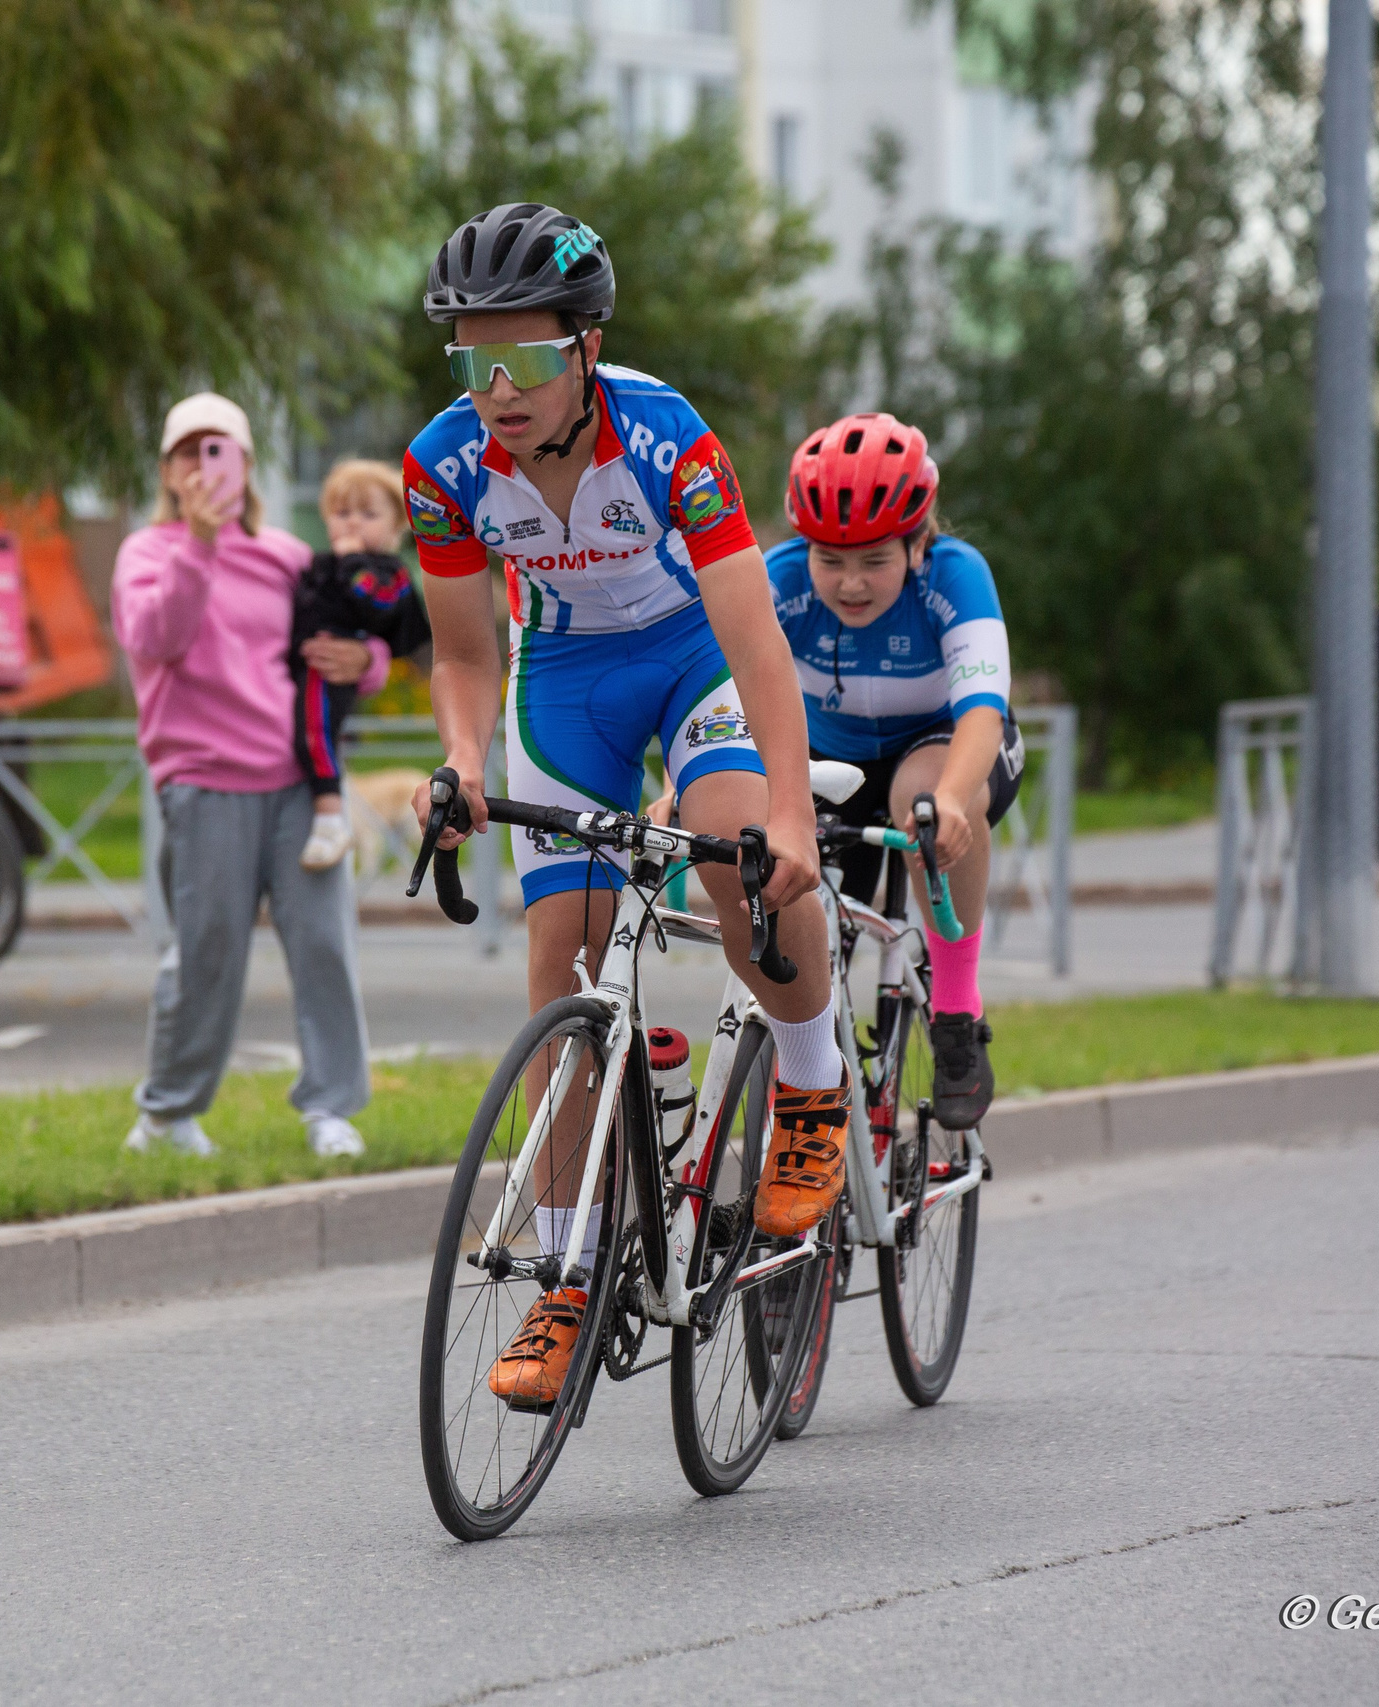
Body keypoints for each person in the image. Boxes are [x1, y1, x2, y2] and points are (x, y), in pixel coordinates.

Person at [405, 203, 844, 1407]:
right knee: (560, 971)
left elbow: (758, 648)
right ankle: (567, 1278)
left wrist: (793, 819)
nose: (499, 389)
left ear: (585, 347)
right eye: (472, 361)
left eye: (527, 360)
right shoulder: (442, 466)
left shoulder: (667, 439)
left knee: (731, 863)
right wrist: (461, 761)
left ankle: (810, 1081)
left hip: (692, 660)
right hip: (565, 686)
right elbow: (460, 651)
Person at [113, 393, 389, 1160]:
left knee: (325, 944)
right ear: (168, 471)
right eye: (188, 452)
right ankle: (166, 1115)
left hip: (302, 784)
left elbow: (353, 656)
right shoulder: (146, 553)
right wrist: (197, 547)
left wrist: (367, 660)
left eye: (219, 450)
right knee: (207, 951)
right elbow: (156, 637)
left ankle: (332, 1108)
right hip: (203, 781)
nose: (203, 466)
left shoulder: (287, 556)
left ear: (244, 466)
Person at [766, 413, 1018, 1128]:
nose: (849, 584)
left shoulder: (956, 575)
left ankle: (957, 1011)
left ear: (918, 541)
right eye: (829, 559)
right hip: (833, 759)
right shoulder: (778, 581)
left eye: (874, 560)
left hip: (940, 744)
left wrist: (953, 801)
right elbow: (717, 697)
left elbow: (981, 712)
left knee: (924, 803)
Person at [290, 459, 433, 870]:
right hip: (307, 665)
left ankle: (332, 816)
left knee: (315, 737)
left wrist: (353, 565)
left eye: (368, 514)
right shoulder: (320, 563)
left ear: (396, 528)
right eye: (342, 513)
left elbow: (381, 607)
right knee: (316, 736)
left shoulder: (385, 572)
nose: (353, 524)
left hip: (328, 668)